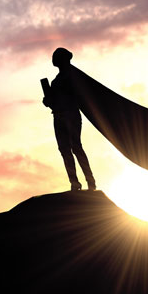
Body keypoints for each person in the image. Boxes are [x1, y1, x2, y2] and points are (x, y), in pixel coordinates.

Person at [43, 47, 96, 191]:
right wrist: (48, 101)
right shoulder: (55, 82)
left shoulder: (72, 76)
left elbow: (80, 94)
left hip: (71, 115)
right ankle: (74, 182)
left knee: (76, 147)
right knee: (64, 149)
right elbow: (53, 102)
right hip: (58, 116)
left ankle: (90, 181)